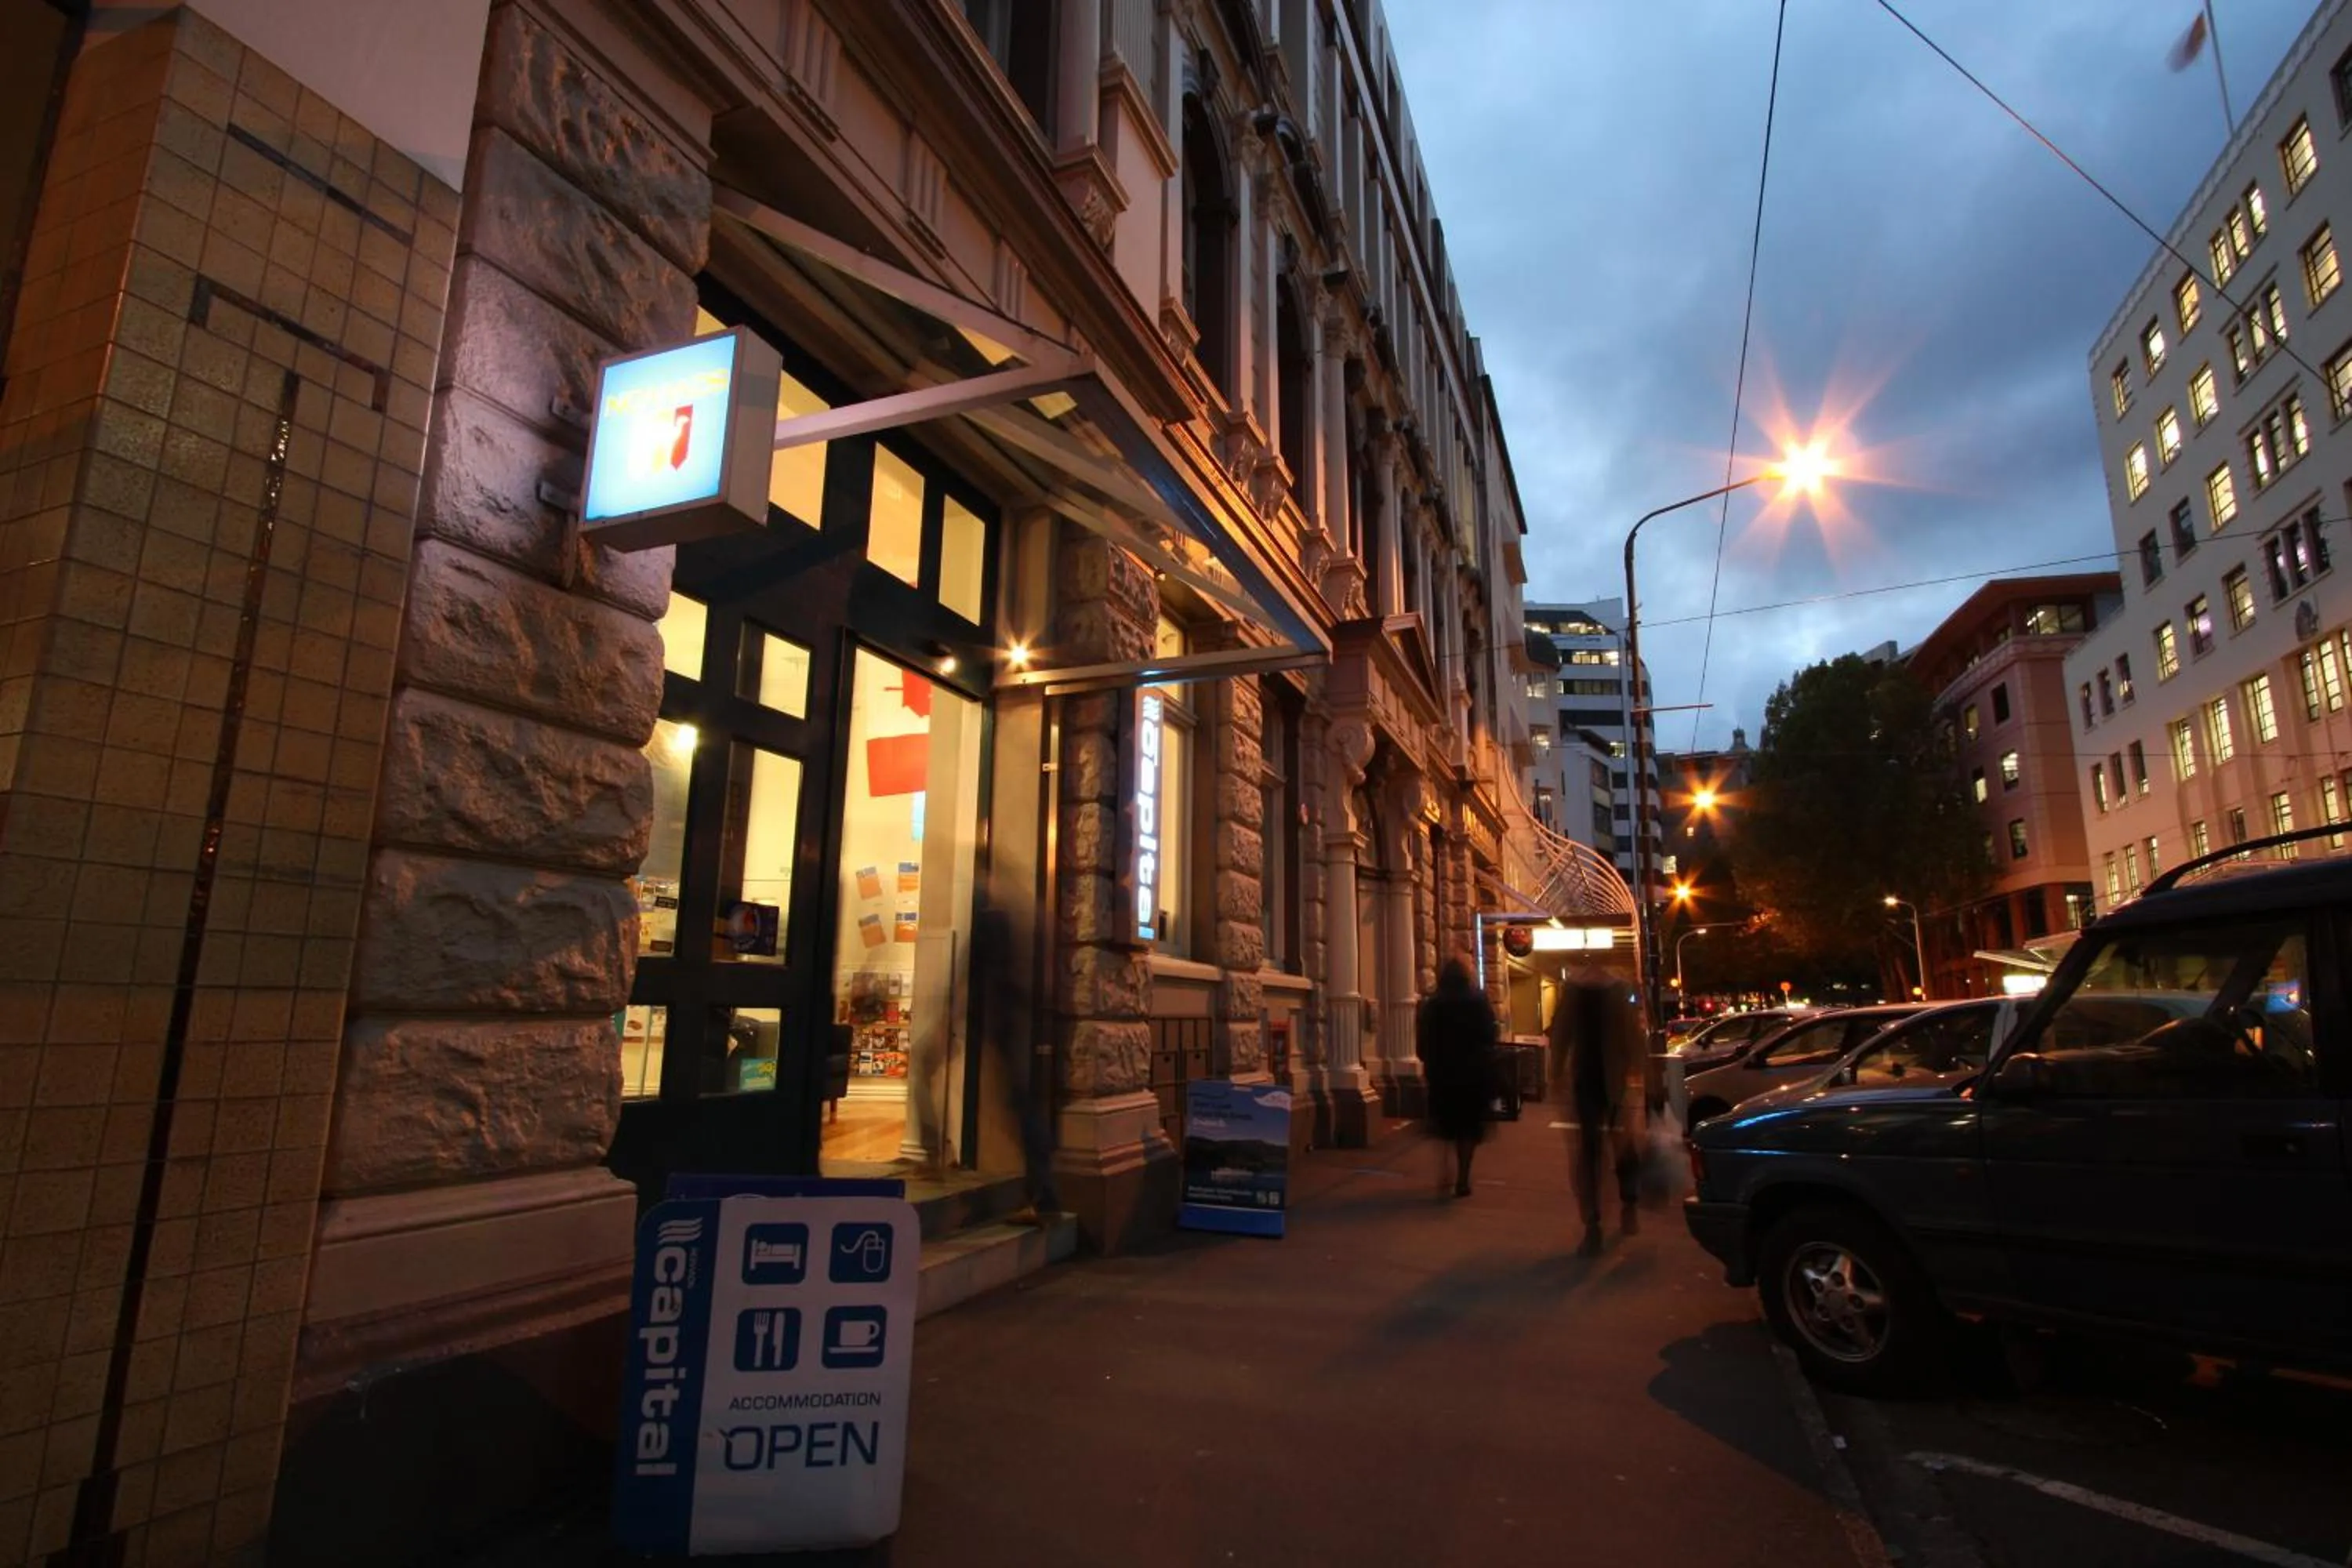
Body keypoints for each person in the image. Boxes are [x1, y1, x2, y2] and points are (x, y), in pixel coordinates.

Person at [1550, 962, 1650, 1255]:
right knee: (1612, 1150)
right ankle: (1612, 1212)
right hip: (1609, 1083)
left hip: (1594, 1083)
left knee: (1593, 1154)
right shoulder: (1614, 992)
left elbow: (1560, 1037)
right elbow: (1634, 1038)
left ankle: (1597, 1221)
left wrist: (1556, 1075)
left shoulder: (1577, 993)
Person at [970, 900, 1059, 1221]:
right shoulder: (1022, 919)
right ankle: (1042, 1192)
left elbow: (985, 978)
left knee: (1022, 1109)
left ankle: (1043, 1193)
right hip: (1016, 1028)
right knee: (1022, 1108)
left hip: (1008, 1029)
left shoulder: (992, 919)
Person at [1417, 956, 1501, 1198]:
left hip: (1442, 1075)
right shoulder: (1478, 1001)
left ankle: (1445, 1172)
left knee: (1445, 1126)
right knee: (1467, 1130)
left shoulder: (1434, 1004)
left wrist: (1431, 1063)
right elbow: (1489, 1036)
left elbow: (1423, 1043)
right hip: (1473, 1076)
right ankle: (1463, 1177)